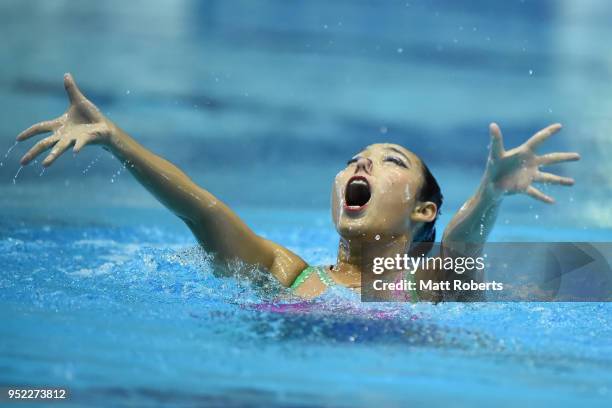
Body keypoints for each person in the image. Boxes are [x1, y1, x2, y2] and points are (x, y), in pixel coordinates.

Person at [15, 74, 580, 301]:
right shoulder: (289, 273)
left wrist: (491, 194)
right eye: (354, 160)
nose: (362, 166)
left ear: (422, 208)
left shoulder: (427, 281)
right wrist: (115, 139)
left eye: (389, 162)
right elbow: (204, 211)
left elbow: (461, 248)